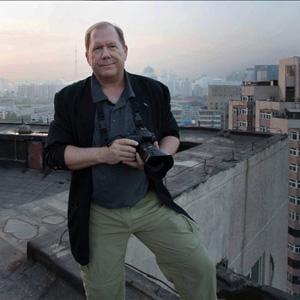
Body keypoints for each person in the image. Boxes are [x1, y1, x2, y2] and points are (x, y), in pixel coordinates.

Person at [44, 21, 217, 300]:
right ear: (88, 56)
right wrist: (105, 153)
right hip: (99, 212)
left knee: (199, 269)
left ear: (125, 50)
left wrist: (158, 156)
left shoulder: (153, 90)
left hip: (149, 202)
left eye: (112, 46)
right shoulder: (70, 98)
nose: (105, 54)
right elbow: (53, 155)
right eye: (97, 48)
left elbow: (172, 134)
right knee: (103, 292)